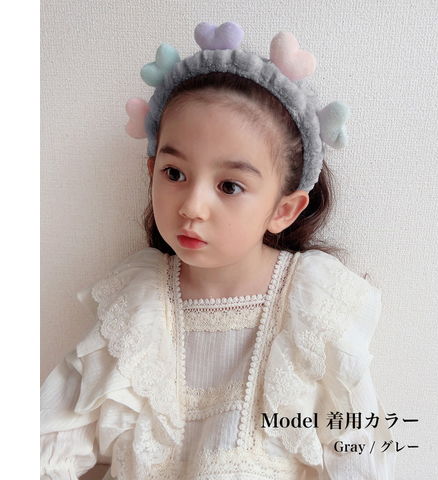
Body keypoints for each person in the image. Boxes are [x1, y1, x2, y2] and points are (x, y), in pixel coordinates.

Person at [41, 21, 396, 480]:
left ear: (284, 209)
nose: (192, 206)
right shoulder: (135, 305)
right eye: (174, 173)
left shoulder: (313, 307)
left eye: (229, 186)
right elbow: (48, 441)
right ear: (151, 169)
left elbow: (357, 454)